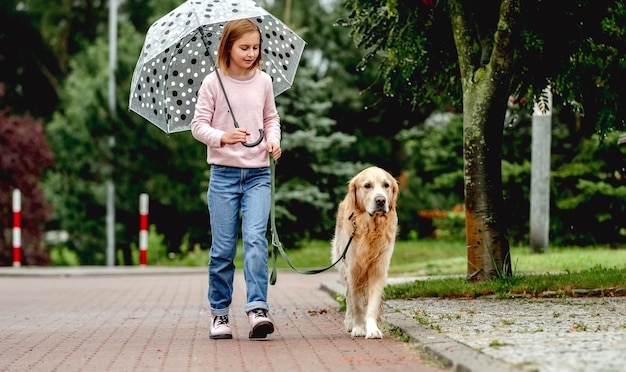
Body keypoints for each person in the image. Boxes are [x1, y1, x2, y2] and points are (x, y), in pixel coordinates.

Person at [190, 18, 282, 340]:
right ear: (228, 46)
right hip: (224, 177)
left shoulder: (264, 82)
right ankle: (219, 315)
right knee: (223, 249)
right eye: (244, 47)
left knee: (256, 241)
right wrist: (222, 137)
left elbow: (271, 117)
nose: (250, 53)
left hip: (258, 175)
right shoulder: (212, 83)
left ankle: (258, 309)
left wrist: (273, 140)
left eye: (255, 47)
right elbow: (198, 126)